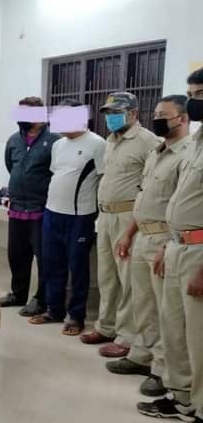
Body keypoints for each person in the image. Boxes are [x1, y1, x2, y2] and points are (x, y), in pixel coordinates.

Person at [108, 96, 191, 398]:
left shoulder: (187, 155)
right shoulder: (158, 152)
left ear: (182, 119)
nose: (158, 119)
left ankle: (162, 369)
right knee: (142, 303)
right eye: (155, 113)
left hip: (164, 240)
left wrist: (169, 246)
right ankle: (142, 355)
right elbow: (143, 197)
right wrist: (128, 233)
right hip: (142, 235)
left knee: (165, 311)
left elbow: (183, 208)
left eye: (163, 115)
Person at [138, 69, 203, 423]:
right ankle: (182, 397)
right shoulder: (196, 144)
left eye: (200, 94)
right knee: (174, 328)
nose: (194, 101)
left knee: (199, 337)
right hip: (178, 246)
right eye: (191, 94)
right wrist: (168, 243)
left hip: (199, 253)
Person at [80, 92, 160, 358]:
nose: (111, 118)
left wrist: (133, 228)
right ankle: (106, 326)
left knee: (128, 279)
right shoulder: (111, 141)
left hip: (129, 218)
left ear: (133, 114)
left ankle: (127, 336)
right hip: (105, 216)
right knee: (107, 276)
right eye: (108, 114)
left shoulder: (148, 142)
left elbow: (151, 186)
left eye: (117, 113)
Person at [28, 100, 105, 336]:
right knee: (52, 264)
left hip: (80, 216)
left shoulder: (97, 144)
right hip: (52, 212)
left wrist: (99, 217)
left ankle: (76, 316)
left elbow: (103, 180)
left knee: (78, 267)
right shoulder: (58, 144)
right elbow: (58, 174)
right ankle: (54, 309)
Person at [1, 96, 60, 316]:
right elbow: (11, 166)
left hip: (41, 209)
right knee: (16, 255)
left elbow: (57, 172)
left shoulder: (54, 141)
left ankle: (41, 299)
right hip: (17, 207)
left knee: (43, 258)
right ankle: (18, 294)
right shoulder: (13, 140)